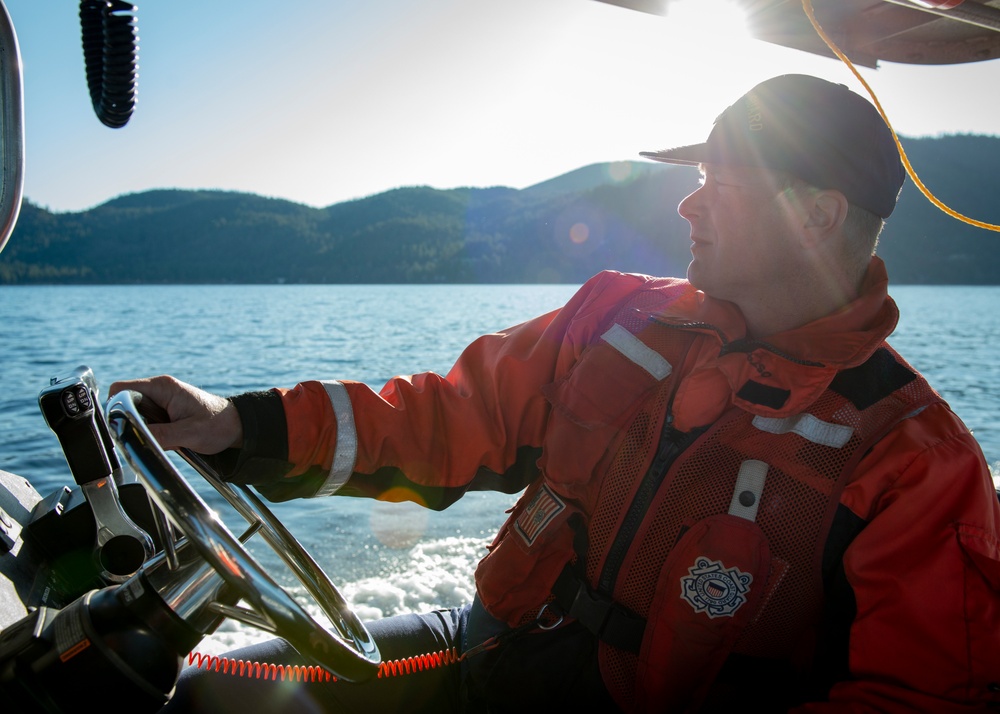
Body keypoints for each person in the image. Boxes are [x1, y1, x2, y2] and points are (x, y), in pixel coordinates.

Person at [111, 74, 1000, 713]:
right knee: (213, 701)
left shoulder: (915, 467)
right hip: (483, 656)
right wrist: (240, 422)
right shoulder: (618, 316)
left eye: (720, 186)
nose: (689, 209)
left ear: (818, 215)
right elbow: (442, 420)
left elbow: (919, 696)